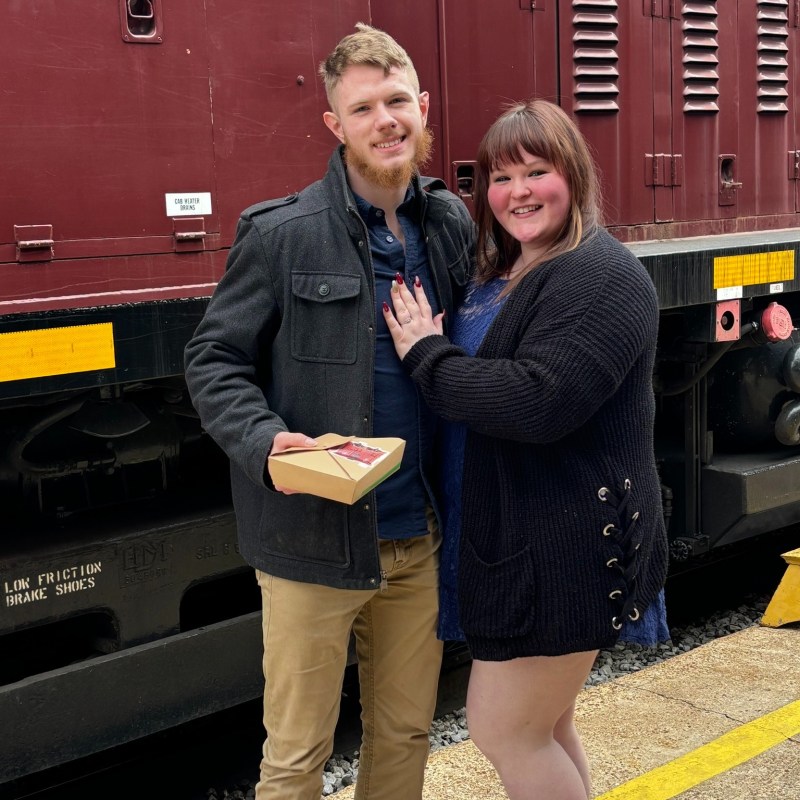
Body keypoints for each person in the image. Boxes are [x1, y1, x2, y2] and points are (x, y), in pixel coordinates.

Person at [183, 23, 474, 800]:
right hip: (312, 545)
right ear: (334, 125)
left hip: (418, 538)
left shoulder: (449, 225)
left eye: (396, 101)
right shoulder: (282, 234)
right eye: (363, 108)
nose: (385, 121)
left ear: (423, 106)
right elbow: (213, 359)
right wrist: (266, 442)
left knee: (405, 736)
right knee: (296, 759)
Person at [382, 99, 669, 799]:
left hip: (566, 546)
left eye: (537, 172)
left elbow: (540, 400)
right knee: (545, 726)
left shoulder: (602, 277)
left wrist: (426, 355)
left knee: (505, 728)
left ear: (573, 175)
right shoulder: (505, 269)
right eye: (500, 178)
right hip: (520, 540)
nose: (518, 192)